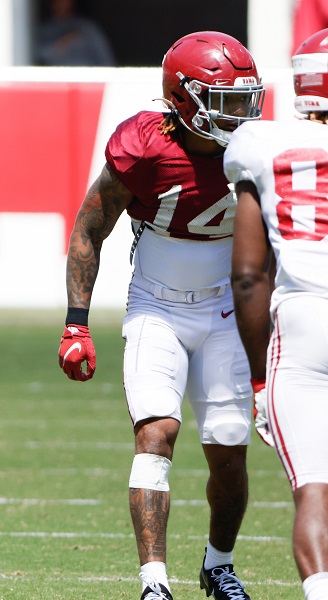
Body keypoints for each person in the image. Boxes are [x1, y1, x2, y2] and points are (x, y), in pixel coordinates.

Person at [57, 31, 265, 600]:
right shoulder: (144, 144)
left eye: (247, 99)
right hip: (157, 305)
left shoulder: (259, 148)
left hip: (227, 307)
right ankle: (154, 583)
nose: (241, 114)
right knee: (157, 432)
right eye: (225, 101)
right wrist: (77, 321)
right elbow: (89, 229)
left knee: (227, 446)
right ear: (183, 99)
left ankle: (218, 565)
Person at [225, 27, 328, 600]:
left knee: (314, 489)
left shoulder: (260, 144)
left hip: (304, 320)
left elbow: (246, 274)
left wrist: (260, 378)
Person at [35, 0, 115, 67]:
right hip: (55, 81)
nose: (62, 3)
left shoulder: (86, 28)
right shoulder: (43, 30)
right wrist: (61, 43)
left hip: (86, 80)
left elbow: (106, 61)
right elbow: (33, 55)